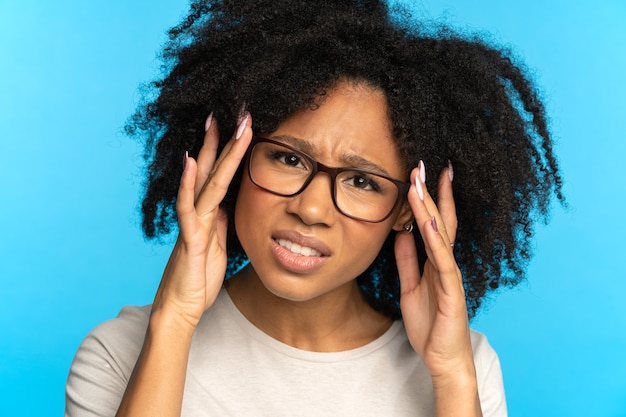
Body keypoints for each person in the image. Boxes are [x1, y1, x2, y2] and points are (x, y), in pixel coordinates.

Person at [65, 0, 564, 416]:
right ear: (234, 163)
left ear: (407, 209)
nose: (310, 209)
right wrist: (172, 321)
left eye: (362, 181)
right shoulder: (120, 353)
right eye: (288, 157)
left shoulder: (464, 369)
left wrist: (452, 375)